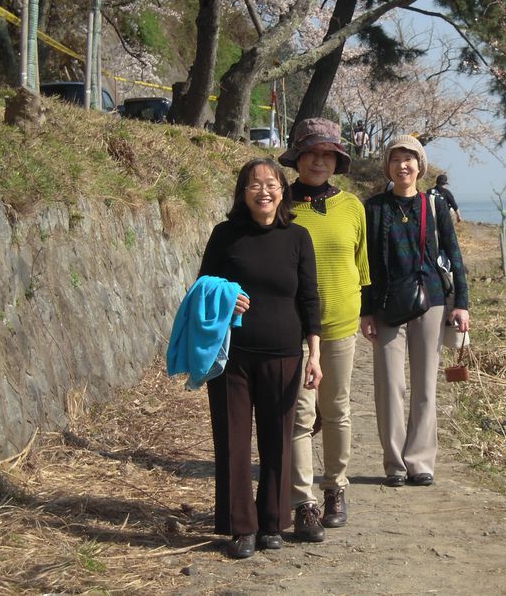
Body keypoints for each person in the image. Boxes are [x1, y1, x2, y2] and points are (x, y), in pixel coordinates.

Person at [198, 157, 322, 559]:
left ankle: (272, 522)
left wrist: (314, 355)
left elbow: (309, 299)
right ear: (243, 193)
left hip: (284, 353)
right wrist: (225, 297)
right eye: (255, 184)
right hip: (230, 356)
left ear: (283, 191)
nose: (264, 191)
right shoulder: (225, 235)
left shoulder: (298, 237)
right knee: (232, 440)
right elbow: (201, 287)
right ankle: (241, 526)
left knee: (278, 440)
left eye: (271, 184)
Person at [359, 134, 470, 487]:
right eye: (395, 159)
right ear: (387, 166)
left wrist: (462, 304)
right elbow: (364, 263)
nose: (402, 165)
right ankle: (394, 464)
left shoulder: (434, 206)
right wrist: (365, 310)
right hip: (386, 304)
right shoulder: (374, 208)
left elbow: (454, 255)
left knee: (425, 386)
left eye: (409, 159)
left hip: (431, 302)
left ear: (419, 166)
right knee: (390, 386)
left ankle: (420, 462)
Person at [278, 118, 370, 542]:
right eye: (311, 153)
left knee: (336, 409)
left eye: (328, 154)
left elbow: (361, 266)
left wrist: (366, 313)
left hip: (340, 325)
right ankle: (303, 501)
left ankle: (335, 487)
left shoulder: (352, 206)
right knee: (300, 414)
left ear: (338, 161)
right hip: (292, 326)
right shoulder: (281, 204)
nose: (319, 161)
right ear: (297, 157)